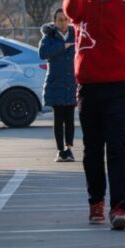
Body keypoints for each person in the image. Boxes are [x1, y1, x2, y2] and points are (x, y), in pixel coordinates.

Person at [63, 0, 125, 230]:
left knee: (118, 149)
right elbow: (70, 11)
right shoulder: (82, 6)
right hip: (89, 89)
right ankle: (96, 201)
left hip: (118, 88)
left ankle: (119, 207)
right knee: (92, 150)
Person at [39, 8, 77, 162]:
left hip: (72, 83)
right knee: (58, 118)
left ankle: (69, 149)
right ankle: (60, 150)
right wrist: (63, 46)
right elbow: (42, 54)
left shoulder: (75, 34)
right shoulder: (49, 36)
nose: (63, 22)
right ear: (54, 22)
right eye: (60, 20)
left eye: (66, 19)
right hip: (56, 83)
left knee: (70, 118)